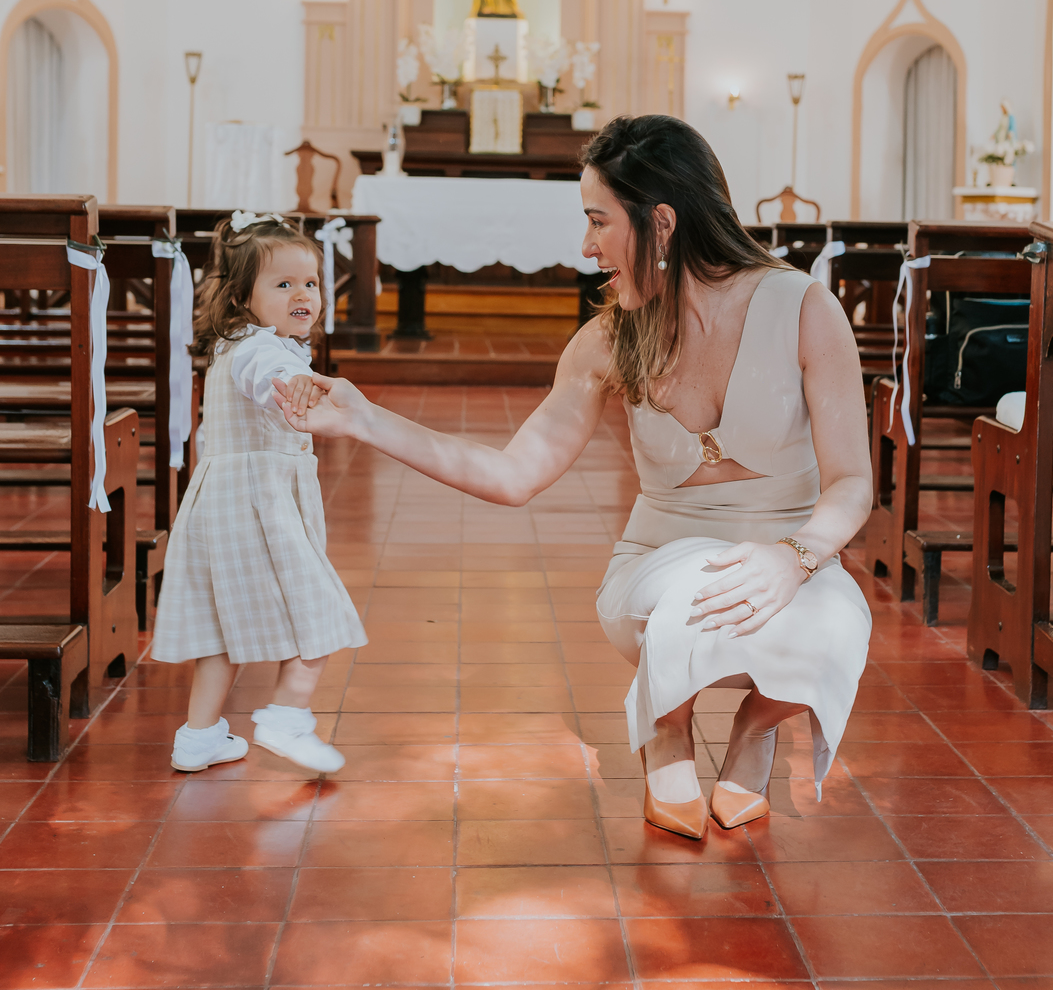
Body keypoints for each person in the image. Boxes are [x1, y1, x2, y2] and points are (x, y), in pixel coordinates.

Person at [276, 117, 872, 838]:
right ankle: (669, 724)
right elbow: (512, 473)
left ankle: (756, 727)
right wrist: (367, 420)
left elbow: (849, 485)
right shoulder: (609, 339)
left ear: (661, 221)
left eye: (597, 221)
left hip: (790, 549)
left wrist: (795, 557)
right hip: (660, 559)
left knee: (840, 622)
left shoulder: (804, 310)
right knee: (689, 600)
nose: (585, 247)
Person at [152, 213, 367, 775]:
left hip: (224, 507)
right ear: (243, 297)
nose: (303, 294)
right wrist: (290, 385)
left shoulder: (248, 344)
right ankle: (286, 717)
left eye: (311, 283)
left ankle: (198, 738)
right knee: (317, 611)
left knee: (222, 631)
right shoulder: (258, 352)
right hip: (257, 508)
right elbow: (266, 376)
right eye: (283, 284)